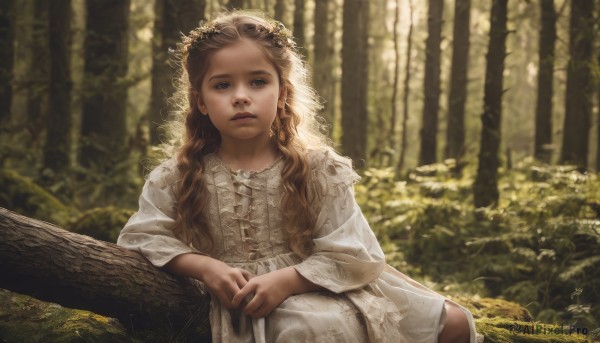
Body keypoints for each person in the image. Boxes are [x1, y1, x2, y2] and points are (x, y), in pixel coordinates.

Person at [118, 10, 481, 343]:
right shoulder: (176, 177)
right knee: (305, 328)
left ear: (281, 94)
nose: (241, 97)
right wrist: (204, 267)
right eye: (223, 85)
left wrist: (288, 279)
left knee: (453, 324)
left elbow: (354, 251)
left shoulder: (318, 169)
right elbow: (141, 237)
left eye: (258, 82)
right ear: (201, 101)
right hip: (236, 301)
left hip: (317, 286)